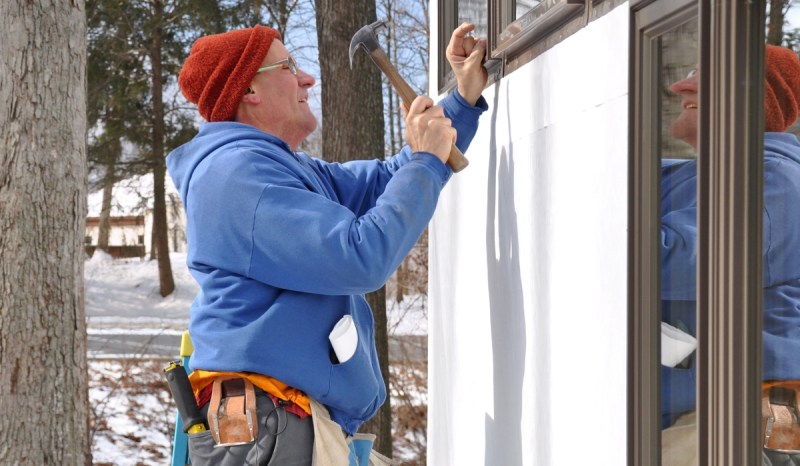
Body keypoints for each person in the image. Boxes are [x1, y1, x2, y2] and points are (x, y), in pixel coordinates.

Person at [166, 22, 488, 465]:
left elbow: (394, 176)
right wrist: (427, 160)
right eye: (288, 66)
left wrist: (462, 99)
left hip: (292, 423)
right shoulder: (238, 178)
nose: (307, 78)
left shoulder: (282, 169)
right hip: (272, 432)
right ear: (248, 91)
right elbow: (360, 256)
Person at [660, 45, 800, 465]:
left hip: (743, 415)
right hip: (699, 408)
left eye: (706, 74)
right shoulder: (696, 175)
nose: (680, 85)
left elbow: (665, 265)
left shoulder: (771, 180)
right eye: (691, 70)